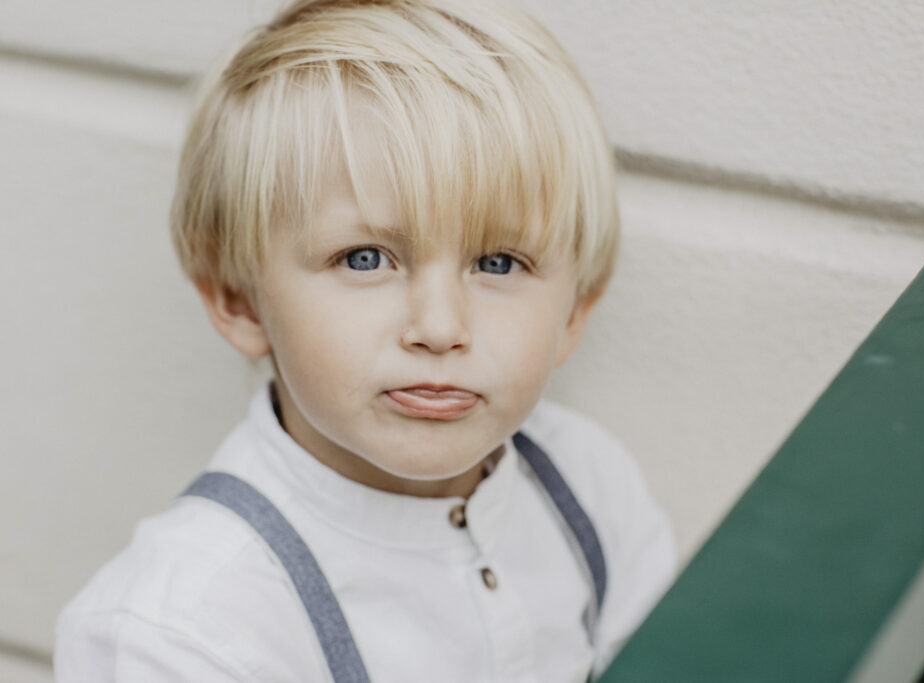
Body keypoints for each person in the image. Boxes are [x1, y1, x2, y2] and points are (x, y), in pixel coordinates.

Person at [54, 0, 676, 680]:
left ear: (575, 309)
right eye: (364, 258)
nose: (440, 327)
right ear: (237, 296)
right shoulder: (185, 633)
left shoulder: (589, 485)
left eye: (498, 263)